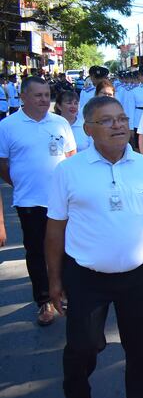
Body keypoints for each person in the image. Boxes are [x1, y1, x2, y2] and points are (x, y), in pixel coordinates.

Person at [45, 96, 143, 398]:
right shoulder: (69, 171)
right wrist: (54, 282)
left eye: (122, 118)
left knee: (141, 348)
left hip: (140, 275)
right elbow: (54, 229)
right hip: (86, 277)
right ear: (88, 129)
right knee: (82, 346)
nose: (118, 125)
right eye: (107, 120)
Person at [0, 76, 76, 326]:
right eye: (38, 95)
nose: (44, 100)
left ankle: (65, 292)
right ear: (23, 97)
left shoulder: (60, 123)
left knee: (66, 249)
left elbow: (71, 156)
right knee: (36, 252)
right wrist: (22, 183)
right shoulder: (8, 126)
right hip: (29, 201)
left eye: (46, 95)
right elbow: (3, 165)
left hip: (61, 201)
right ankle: (44, 300)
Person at [123, 65, 143, 141]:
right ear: (139, 76)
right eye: (142, 75)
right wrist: (130, 127)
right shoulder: (133, 91)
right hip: (138, 121)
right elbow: (130, 110)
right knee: (139, 147)